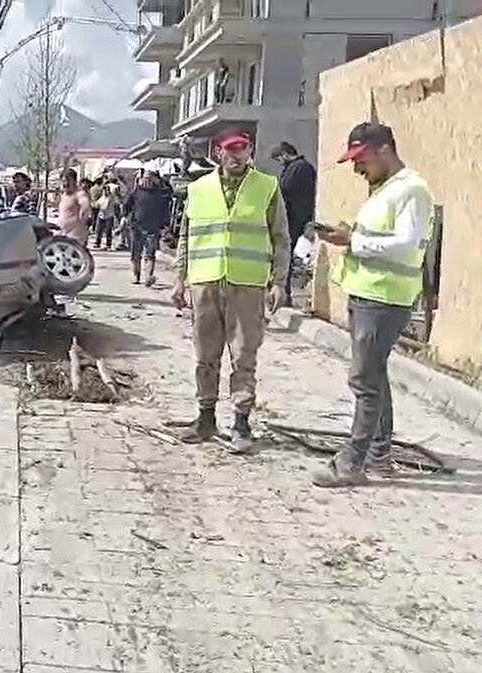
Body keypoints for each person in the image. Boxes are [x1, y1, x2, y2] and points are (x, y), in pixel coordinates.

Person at [310, 122, 432, 488]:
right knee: (374, 375)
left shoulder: (412, 189)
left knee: (363, 380)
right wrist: (352, 235)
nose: (356, 168)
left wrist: (355, 241)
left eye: (360, 159)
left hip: (385, 298)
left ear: (383, 150)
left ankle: (353, 462)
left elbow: (408, 243)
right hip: (368, 294)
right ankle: (379, 456)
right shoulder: (385, 189)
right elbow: (382, 237)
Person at [170, 129, 290, 451]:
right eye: (231, 150)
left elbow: (280, 237)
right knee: (205, 354)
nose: (238, 156)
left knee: (244, 354)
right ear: (218, 152)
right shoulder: (198, 190)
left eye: (244, 149)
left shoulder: (266, 187)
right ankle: (205, 417)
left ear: (251, 150)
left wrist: (278, 281)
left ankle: (241, 423)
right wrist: (180, 278)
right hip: (205, 282)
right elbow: (186, 236)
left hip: (247, 285)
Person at [270, 141, 318, 305]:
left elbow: (285, 191)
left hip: (294, 218)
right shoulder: (298, 168)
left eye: (279, 159)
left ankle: (284, 293)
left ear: (284, 154)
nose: (280, 162)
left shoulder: (299, 168)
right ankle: (283, 292)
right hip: (294, 217)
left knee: (285, 254)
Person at [122, 170, 172, 286]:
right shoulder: (135, 192)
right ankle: (136, 275)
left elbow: (165, 209)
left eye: (150, 178)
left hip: (152, 228)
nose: (147, 180)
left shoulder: (159, 193)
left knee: (150, 253)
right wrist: (126, 217)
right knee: (136, 253)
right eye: (145, 178)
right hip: (136, 227)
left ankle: (149, 276)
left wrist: (164, 225)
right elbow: (126, 206)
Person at [58, 168, 90, 243]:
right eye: (63, 181)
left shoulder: (79, 194)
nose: (65, 184)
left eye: (68, 181)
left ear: (75, 181)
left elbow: (85, 204)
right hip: (65, 233)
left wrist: (82, 216)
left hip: (76, 235)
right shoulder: (64, 194)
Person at [93, 183, 119, 250]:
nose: (105, 192)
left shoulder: (110, 198)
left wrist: (97, 206)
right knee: (98, 229)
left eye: (107, 190)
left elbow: (105, 206)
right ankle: (97, 242)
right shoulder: (102, 197)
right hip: (101, 215)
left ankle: (108, 244)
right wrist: (95, 205)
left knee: (108, 230)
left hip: (109, 216)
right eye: (104, 190)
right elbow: (97, 204)